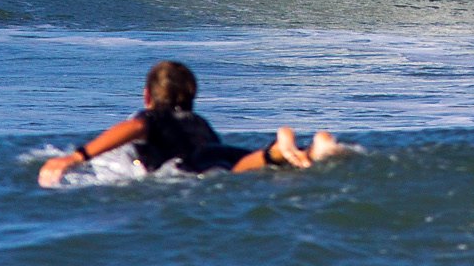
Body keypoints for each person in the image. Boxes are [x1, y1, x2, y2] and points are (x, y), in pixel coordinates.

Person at [38, 59, 345, 187]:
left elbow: (129, 129)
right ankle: (306, 149)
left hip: (193, 163)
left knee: (230, 168)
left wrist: (75, 157)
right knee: (248, 163)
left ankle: (281, 149)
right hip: (223, 152)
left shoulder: (150, 118)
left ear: (147, 95)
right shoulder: (198, 120)